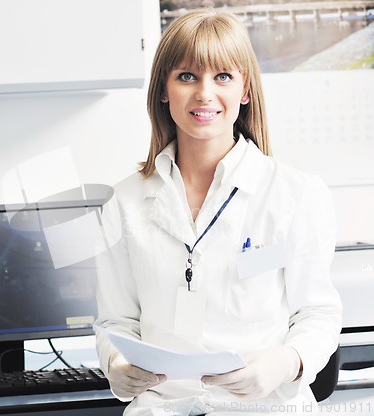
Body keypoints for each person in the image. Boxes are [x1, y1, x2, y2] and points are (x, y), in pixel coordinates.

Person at [94, 9, 342, 416]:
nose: (204, 94)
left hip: (262, 409)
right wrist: (116, 366)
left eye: (223, 77)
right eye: (187, 76)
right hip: (163, 408)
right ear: (163, 90)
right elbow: (116, 321)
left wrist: (284, 363)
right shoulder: (123, 202)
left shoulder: (295, 194)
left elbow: (318, 314)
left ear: (245, 91)